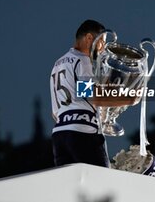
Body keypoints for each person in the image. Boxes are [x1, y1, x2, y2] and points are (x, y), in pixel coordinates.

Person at [50, 19, 135, 167]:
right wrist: (129, 99)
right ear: (90, 38)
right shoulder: (83, 61)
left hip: (59, 134)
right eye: (101, 42)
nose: (102, 49)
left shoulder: (58, 63)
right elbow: (93, 95)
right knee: (100, 183)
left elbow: (54, 113)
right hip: (83, 132)